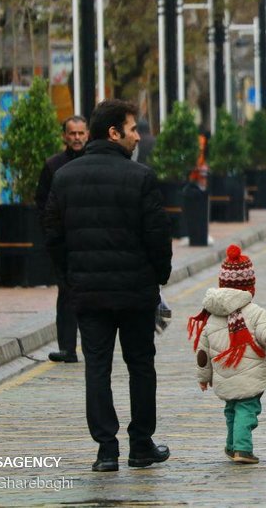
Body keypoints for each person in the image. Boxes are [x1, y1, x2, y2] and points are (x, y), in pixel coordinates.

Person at [42, 99, 173, 473]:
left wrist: (70, 279)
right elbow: (157, 237)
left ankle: (106, 450)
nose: (138, 136)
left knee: (96, 367)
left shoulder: (65, 177)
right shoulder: (141, 177)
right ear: (114, 133)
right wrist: (157, 277)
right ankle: (141, 445)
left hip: (88, 292)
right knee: (140, 366)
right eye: (133, 129)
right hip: (134, 293)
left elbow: (52, 234)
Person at [188, 245, 266, 465]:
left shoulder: (212, 315)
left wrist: (204, 378)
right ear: (250, 286)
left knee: (231, 410)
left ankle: (232, 445)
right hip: (249, 376)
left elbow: (202, 352)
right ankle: (242, 448)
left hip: (224, 375)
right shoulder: (255, 312)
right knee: (247, 410)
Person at [35, 115, 89, 363]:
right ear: (65, 136)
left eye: (81, 133)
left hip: (91, 241)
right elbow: (42, 204)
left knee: (91, 297)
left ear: (87, 134)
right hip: (64, 243)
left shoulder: (94, 163)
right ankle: (67, 347)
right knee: (66, 295)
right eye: (72, 133)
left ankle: (92, 346)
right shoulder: (53, 166)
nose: (77, 138)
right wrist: (52, 237)